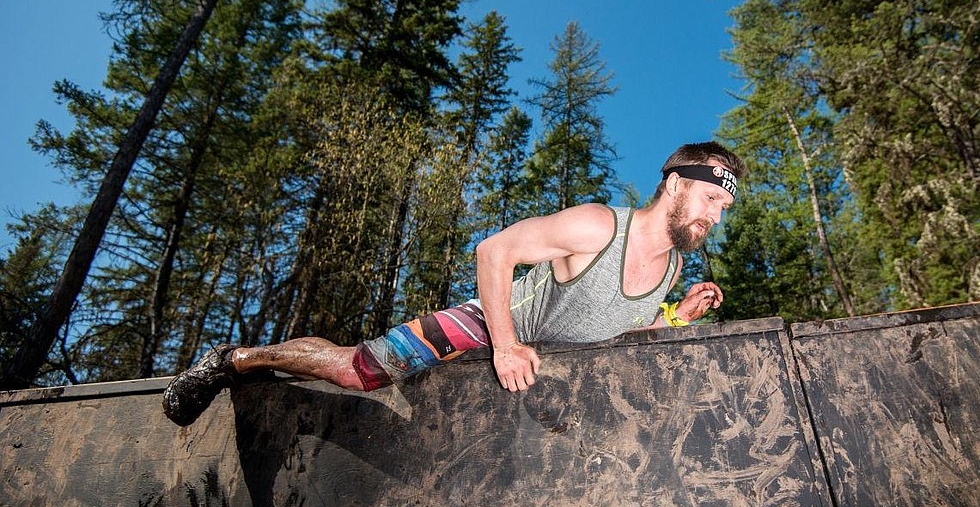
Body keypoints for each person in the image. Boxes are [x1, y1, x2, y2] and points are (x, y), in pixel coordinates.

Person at [163, 141, 746, 426]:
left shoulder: (671, 269)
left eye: (724, 208)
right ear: (673, 184)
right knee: (359, 371)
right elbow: (494, 251)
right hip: (494, 324)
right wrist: (507, 341)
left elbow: (619, 327)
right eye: (710, 198)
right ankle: (235, 359)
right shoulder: (598, 225)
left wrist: (678, 319)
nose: (715, 216)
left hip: (546, 371)